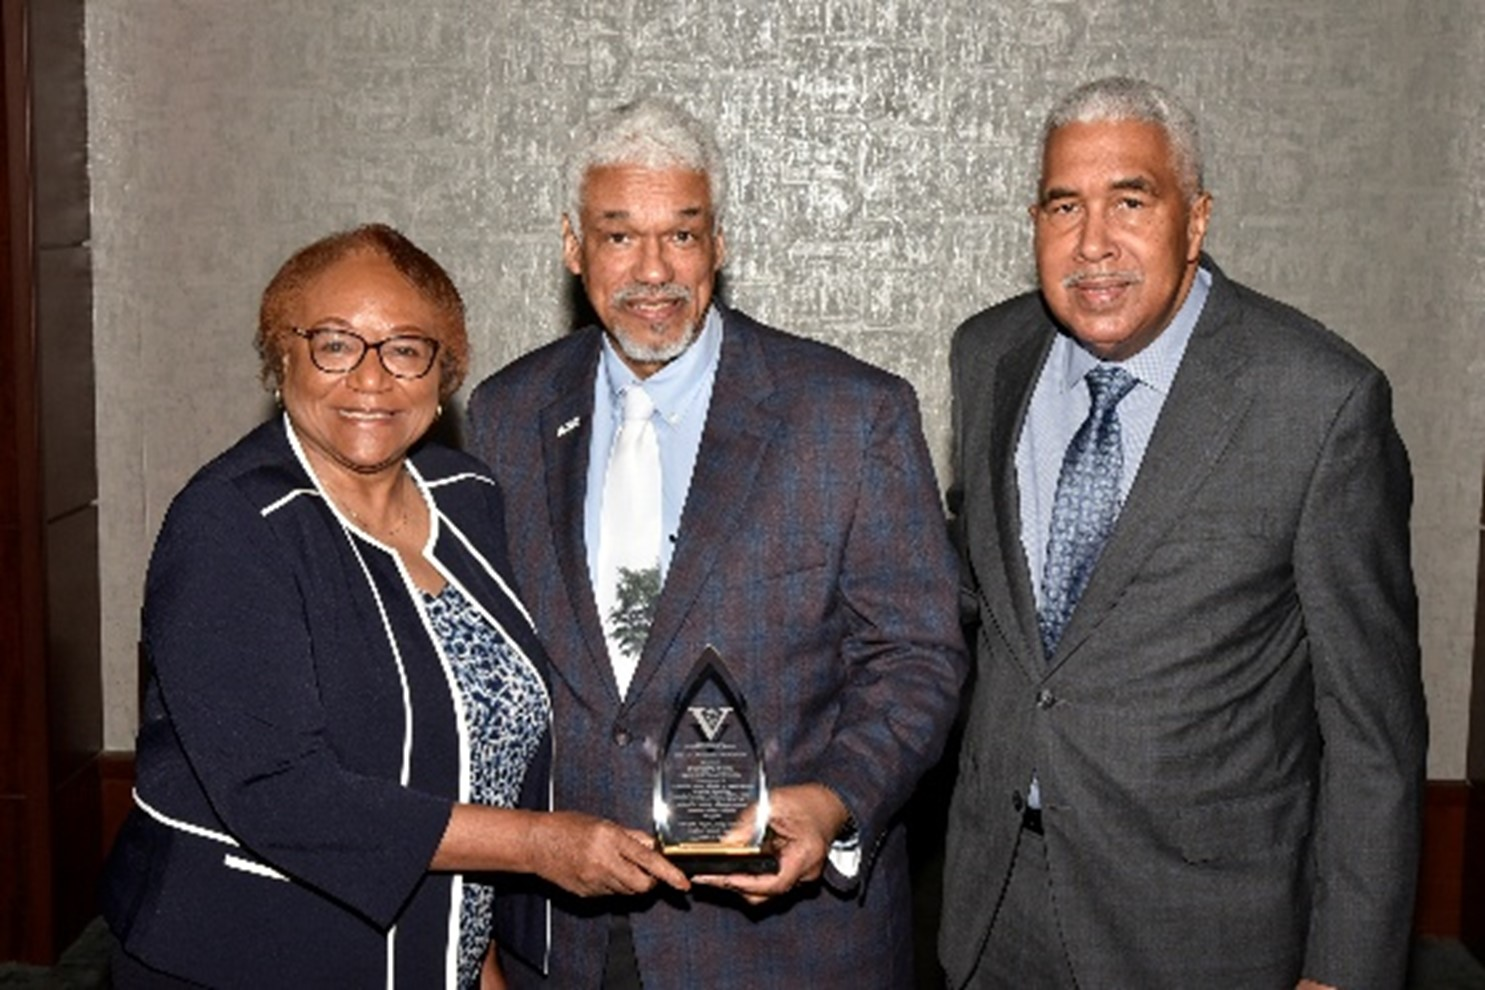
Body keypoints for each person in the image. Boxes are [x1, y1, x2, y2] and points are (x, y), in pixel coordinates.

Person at [102, 223, 689, 989]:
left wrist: (478, 959)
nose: (372, 380)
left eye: (407, 349)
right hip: (249, 954)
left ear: (443, 373)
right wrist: (538, 847)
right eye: (336, 344)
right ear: (281, 356)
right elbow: (279, 792)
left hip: (432, 950)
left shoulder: (470, 499)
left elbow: (472, 751)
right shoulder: (229, 526)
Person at [939, 76, 1428, 990]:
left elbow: (1374, 732)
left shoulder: (1317, 402)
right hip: (995, 909)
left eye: (1131, 201)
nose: (1093, 244)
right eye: (1063, 206)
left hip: (1203, 933)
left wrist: (1344, 971)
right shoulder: (986, 358)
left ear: (1195, 220)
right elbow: (974, 620)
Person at [466, 98, 966, 989]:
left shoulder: (851, 415)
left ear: (720, 245)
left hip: (787, 946)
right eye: (619, 236)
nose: (652, 270)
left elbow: (918, 653)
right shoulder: (507, 414)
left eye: (682, 236)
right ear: (573, 246)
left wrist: (839, 797)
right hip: (563, 939)